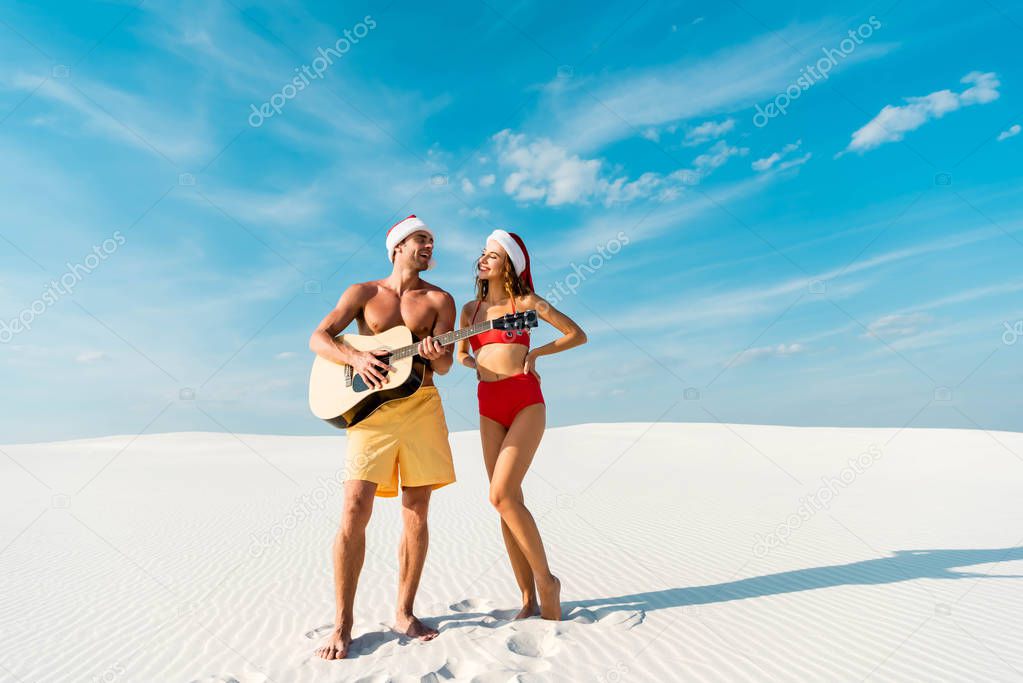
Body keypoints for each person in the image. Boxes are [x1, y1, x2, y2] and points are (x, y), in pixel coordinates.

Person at [308, 214, 457, 659]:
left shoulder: (440, 299)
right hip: (371, 415)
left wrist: (436, 353)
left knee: (416, 511)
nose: (429, 245)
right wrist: (353, 356)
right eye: (421, 239)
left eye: (432, 240)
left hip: (421, 408)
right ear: (397, 247)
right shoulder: (363, 293)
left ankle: (405, 612)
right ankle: (342, 623)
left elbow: (447, 364)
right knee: (354, 508)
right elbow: (318, 337)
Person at [456, 229, 587, 620]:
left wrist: (537, 354)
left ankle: (547, 582)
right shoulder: (470, 312)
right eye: (482, 253)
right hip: (487, 405)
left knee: (500, 494)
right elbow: (461, 355)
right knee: (507, 502)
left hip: (525, 399)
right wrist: (471, 363)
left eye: (492, 255)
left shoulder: (526, 302)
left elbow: (576, 335)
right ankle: (527, 597)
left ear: (509, 264)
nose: (483, 259)